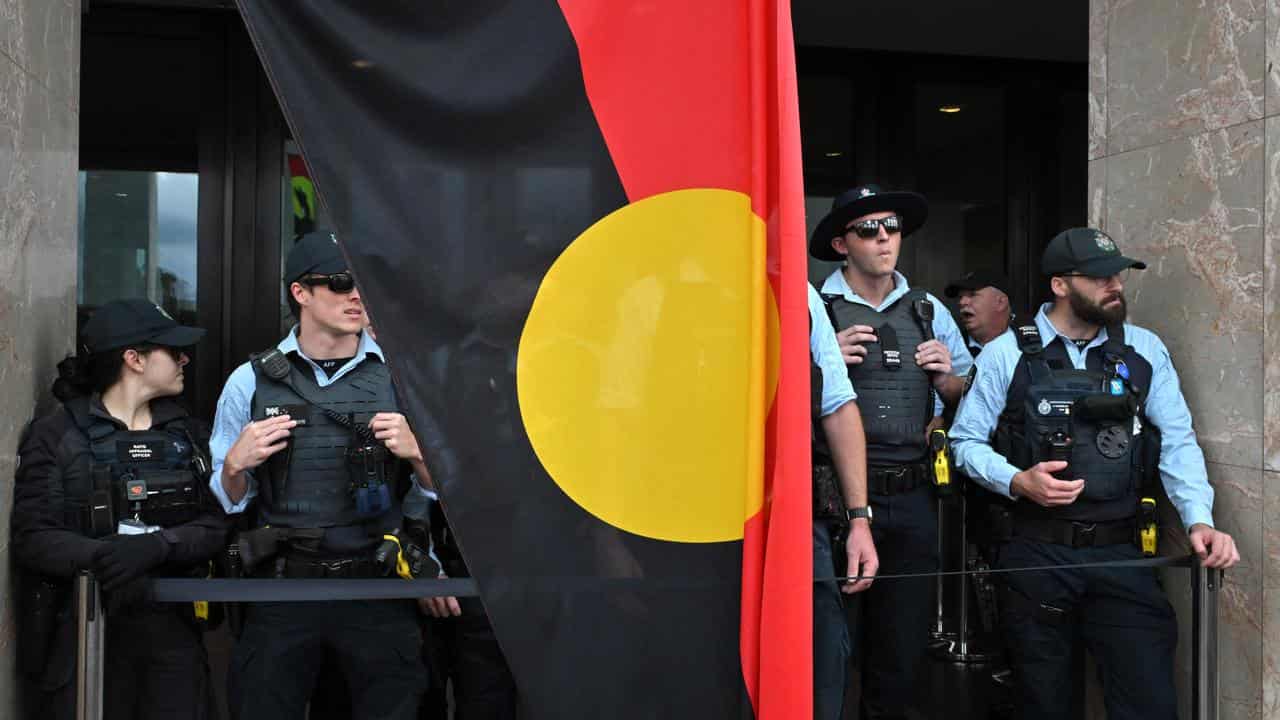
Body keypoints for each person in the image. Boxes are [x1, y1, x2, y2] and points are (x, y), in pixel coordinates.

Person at [950, 227, 1240, 720]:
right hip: (1035, 554)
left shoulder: (1143, 349)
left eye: (1119, 275)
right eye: (1100, 277)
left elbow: (1176, 441)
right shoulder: (1006, 353)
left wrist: (1199, 519)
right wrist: (1018, 481)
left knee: (1148, 699)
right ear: (1061, 285)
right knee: (1042, 701)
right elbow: (964, 443)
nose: (1116, 287)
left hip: (1121, 553)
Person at [209, 229, 433, 719]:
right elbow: (231, 500)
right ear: (301, 293)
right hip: (285, 588)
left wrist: (418, 454)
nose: (356, 294)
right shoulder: (249, 381)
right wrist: (233, 467)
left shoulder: (402, 376)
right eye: (339, 282)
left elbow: (441, 492)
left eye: (363, 283)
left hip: (376, 584)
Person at [12, 298, 229, 720]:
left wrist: (158, 546)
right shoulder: (58, 435)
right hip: (85, 631)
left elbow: (217, 524)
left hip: (173, 634)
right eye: (172, 350)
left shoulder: (187, 433)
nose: (184, 358)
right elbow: (33, 536)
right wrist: (107, 556)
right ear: (134, 359)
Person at [809, 184, 973, 719]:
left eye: (892, 227)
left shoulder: (928, 309)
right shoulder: (816, 306)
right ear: (841, 244)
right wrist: (823, 361)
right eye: (868, 229)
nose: (884, 239)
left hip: (913, 495)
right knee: (828, 650)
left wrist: (948, 377)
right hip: (832, 503)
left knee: (901, 653)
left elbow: (963, 397)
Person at [808, 282, 877, 720]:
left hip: (790, 522)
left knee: (818, 665)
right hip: (681, 527)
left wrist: (859, 521)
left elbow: (837, 406)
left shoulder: (797, 293)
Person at [944, 269, 1015, 357]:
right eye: (960, 297)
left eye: (972, 295)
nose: (962, 302)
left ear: (1001, 303)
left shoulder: (1027, 343)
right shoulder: (950, 348)